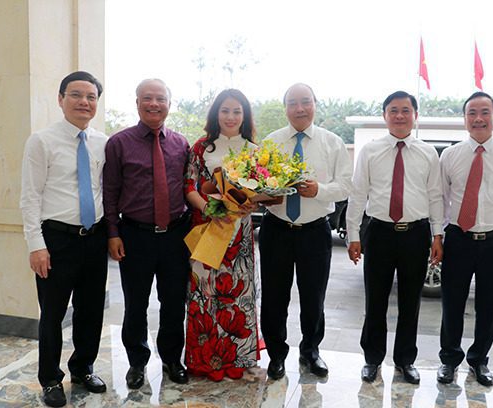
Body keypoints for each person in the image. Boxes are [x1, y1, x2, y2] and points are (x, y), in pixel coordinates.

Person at [20, 71, 108, 407]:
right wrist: (36, 245)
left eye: (91, 97)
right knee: (53, 314)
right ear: (61, 99)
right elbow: (30, 197)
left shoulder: (103, 142)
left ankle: (83, 368)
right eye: (76, 95)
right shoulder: (41, 141)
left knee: (90, 311)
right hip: (57, 240)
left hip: (95, 237)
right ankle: (50, 379)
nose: (84, 102)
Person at [346, 91, 443, 384]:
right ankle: (372, 359)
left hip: (415, 234)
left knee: (410, 302)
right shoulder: (370, 151)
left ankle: (405, 360)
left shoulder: (428, 153)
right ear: (385, 115)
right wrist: (353, 235)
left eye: (405, 110)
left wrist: (437, 235)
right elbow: (358, 194)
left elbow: (435, 196)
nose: (399, 115)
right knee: (375, 300)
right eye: (393, 110)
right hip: (379, 233)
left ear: (415, 115)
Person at [259, 83, 352, 380]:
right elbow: (257, 183)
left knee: (314, 297)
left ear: (315, 104)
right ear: (285, 108)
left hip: (314, 232)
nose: (299, 108)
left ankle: (310, 351)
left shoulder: (332, 143)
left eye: (305, 102)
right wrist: (267, 194)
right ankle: (276, 354)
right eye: (293, 103)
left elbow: (345, 186)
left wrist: (319, 190)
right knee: (274, 297)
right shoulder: (271, 143)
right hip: (276, 230)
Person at [436, 91, 493, 387]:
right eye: (472, 113)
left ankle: (479, 360)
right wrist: (437, 235)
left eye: (485, 112)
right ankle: (449, 359)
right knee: (452, 303)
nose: (478, 118)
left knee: (489, 305)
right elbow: (440, 200)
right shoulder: (450, 155)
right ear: (464, 119)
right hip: (458, 238)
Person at [103, 78, 190, 389]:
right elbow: (110, 191)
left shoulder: (181, 144)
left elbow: (189, 188)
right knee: (136, 304)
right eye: (147, 98)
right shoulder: (119, 143)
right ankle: (137, 362)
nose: (154, 104)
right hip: (135, 236)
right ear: (137, 103)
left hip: (175, 236)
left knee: (174, 302)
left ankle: (172, 359)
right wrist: (113, 233)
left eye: (160, 98)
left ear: (169, 103)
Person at [184, 89, 260, 381]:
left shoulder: (255, 150)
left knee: (238, 296)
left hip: (239, 235)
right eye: (225, 110)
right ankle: (206, 360)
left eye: (236, 111)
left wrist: (252, 203)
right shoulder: (201, 147)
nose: (230, 117)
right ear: (216, 113)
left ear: (245, 115)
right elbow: (189, 187)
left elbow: (261, 192)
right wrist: (210, 208)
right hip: (207, 228)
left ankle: (238, 359)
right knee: (205, 294)